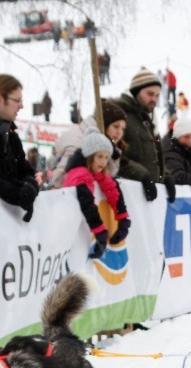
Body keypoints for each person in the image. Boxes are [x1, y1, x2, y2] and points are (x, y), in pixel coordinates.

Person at [62, 129, 130, 259]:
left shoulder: (96, 170)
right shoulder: (79, 174)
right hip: (73, 235)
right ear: (89, 155)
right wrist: (100, 232)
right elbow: (87, 204)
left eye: (106, 157)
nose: (103, 162)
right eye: (99, 157)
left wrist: (123, 219)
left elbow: (112, 188)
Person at [0, 74, 39, 220]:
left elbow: (25, 170)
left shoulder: (10, 134)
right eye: (17, 100)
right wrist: (14, 192)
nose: (21, 106)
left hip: (5, 226)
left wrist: (29, 187)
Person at [49, 99, 126, 188]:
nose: (119, 132)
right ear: (105, 124)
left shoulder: (108, 146)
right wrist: (83, 183)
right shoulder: (80, 143)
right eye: (116, 126)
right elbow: (59, 180)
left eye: (123, 129)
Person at [116, 68, 164, 200]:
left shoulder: (149, 119)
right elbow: (112, 156)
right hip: (128, 196)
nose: (154, 99)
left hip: (148, 200)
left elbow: (155, 156)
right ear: (136, 92)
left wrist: (165, 176)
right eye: (150, 94)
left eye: (157, 95)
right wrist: (142, 175)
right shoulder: (121, 116)